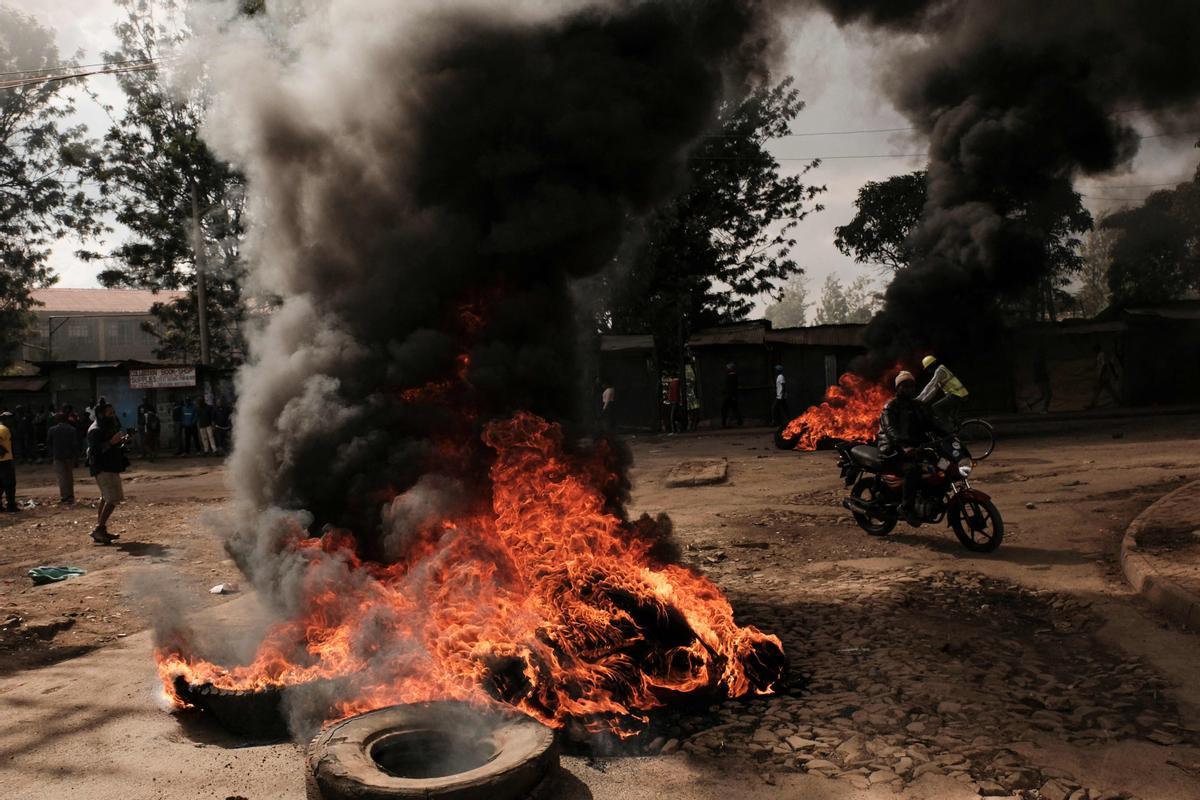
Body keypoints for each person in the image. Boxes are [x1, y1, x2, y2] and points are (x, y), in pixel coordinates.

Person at [877, 371, 944, 525]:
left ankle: (931, 498)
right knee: (912, 470)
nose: (909, 389)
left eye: (911, 386)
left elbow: (930, 424)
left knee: (940, 465)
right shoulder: (890, 406)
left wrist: (949, 434)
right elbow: (890, 429)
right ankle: (906, 508)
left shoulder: (916, 406)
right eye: (904, 386)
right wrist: (903, 446)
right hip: (892, 450)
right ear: (898, 388)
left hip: (915, 448)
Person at [86, 402, 128, 544]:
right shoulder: (95, 430)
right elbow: (95, 452)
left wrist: (122, 441)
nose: (113, 415)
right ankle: (99, 529)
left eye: (113, 412)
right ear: (101, 414)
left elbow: (112, 446)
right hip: (103, 469)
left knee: (106, 497)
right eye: (110, 413)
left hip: (111, 466)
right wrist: (111, 442)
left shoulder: (106, 427)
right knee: (113, 499)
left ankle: (101, 531)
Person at [917, 354, 969, 428]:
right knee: (951, 417)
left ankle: (948, 428)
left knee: (936, 407)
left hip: (957, 395)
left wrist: (918, 398)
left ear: (931, 366)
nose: (928, 371)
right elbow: (933, 391)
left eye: (928, 369)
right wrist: (923, 401)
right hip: (961, 394)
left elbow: (931, 385)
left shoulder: (940, 370)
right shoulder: (941, 371)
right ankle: (955, 433)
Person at [47, 413, 78, 504]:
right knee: (69, 476)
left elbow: (49, 443)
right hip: (69, 456)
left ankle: (65, 496)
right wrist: (76, 457)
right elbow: (75, 444)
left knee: (62, 477)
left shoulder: (52, 430)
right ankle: (70, 495)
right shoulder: (72, 429)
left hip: (58, 456)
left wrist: (51, 455)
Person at [1087, 344, 1121, 409]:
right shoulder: (1102, 355)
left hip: (1103, 376)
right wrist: (1114, 374)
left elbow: (1104, 366)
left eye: (1094, 350)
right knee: (1108, 390)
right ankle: (1119, 402)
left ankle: (1093, 404)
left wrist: (1101, 375)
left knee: (1098, 390)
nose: (1094, 352)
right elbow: (1110, 364)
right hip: (1105, 376)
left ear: (1097, 349)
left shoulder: (1101, 355)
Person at [0, 411, 16, 512]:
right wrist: (3, 451)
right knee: (10, 484)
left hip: (4, 460)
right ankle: (11, 505)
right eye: (10, 419)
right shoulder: (3, 429)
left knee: (1, 484)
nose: (12, 421)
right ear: (5, 419)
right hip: (4, 461)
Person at [721, 362, 742, 428]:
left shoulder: (732, 376)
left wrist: (732, 396)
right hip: (730, 395)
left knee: (725, 409)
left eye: (728, 368)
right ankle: (739, 422)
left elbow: (732, 387)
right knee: (734, 409)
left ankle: (725, 423)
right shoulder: (731, 376)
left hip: (730, 396)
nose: (727, 369)